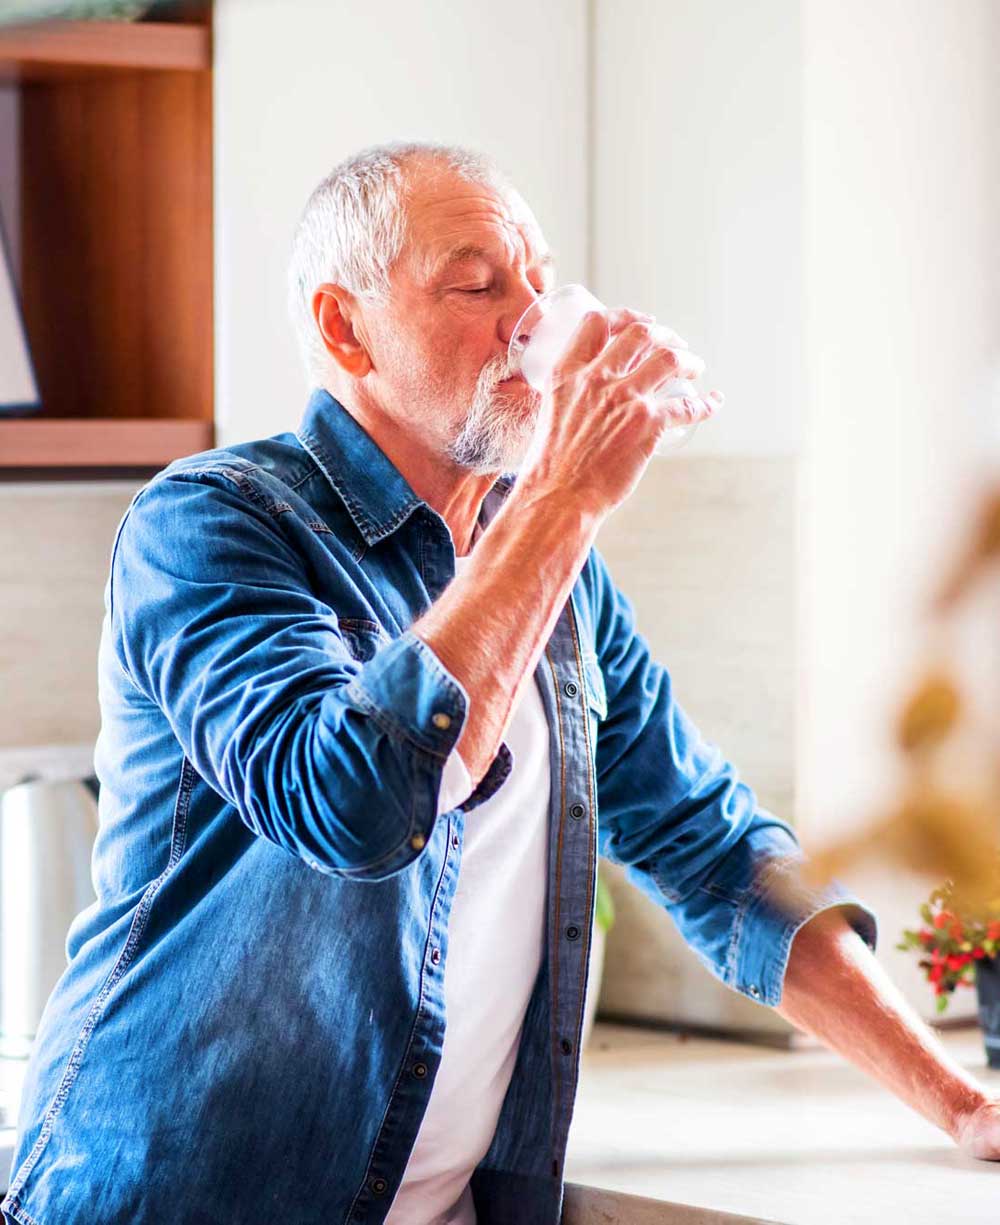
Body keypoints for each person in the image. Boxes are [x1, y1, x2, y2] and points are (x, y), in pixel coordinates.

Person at [4, 141, 998, 1225]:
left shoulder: (557, 570)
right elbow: (350, 803)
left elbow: (711, 851)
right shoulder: (211, 522)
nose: (530, 319)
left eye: (536, 278)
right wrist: (562, 498)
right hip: (179, 1199)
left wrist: (960, 1105)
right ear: (345, 327)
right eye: (478, 284)